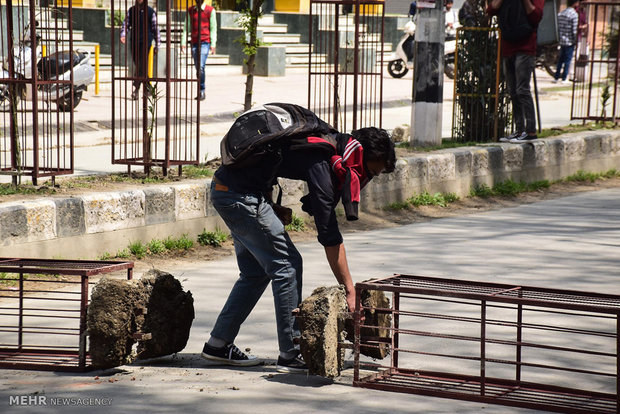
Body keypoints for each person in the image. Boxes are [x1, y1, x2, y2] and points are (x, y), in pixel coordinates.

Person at [201, 120, 396, 372]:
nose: (368, 179)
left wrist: (270, 205)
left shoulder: (329, 145)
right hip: (240, 196)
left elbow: (268, 160)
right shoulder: (324, 162)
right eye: (371, 172)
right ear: (360, 156)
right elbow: (329, 236)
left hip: (228, 190)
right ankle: (291, 352)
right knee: (288, 266)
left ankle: (218, 344)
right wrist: (349, 288)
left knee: (255, 272)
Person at [488, 0, 543, 143]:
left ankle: (530, 131)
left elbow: (536, 16)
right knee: (512, 91)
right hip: (507, 47)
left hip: (525, 48)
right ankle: (519, 130)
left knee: (522, 90)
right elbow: (491, 10)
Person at [120, 0, 161, 101]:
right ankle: (148, 88)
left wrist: (158, 44)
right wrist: (123, 34)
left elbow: (155, 28)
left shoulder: (150, 11)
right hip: (134, 41)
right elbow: (126, 23)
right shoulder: (131, 10)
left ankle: (136, 89)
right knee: (139, 65)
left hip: (146, 41)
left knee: (141, 64)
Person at [182, 0, 217, 101]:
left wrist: (213, 44)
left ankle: (202, 90)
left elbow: (213, 28)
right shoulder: (191, 10)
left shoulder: (210, 10)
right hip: (194, 42)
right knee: (198, 67)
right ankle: (200, 89)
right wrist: (183, 42)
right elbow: (186, 27)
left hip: (205, 42)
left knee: (201, 67)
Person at [553, 0, 579, 84]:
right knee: (568, 60)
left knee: (560, 60)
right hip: (569, 41)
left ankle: (556, 77)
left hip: (562, 40)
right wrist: (575, 40)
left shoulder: (561, 14)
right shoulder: (574, 15)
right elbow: (574, 30)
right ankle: (564, 78)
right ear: (575, 3)